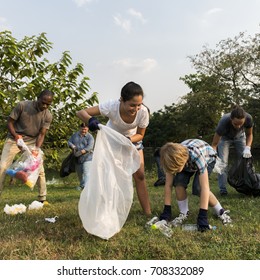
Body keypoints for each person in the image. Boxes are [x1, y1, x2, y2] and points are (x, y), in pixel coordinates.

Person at [76, 81, 151, 216]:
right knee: (111, 176)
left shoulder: (143, 112)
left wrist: (127, 141)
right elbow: (81, 112)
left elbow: (140, 135)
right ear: (122, 100)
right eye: (132, 105)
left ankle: (148, 213)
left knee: (140, 175)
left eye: (139, 105)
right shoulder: (111, 106)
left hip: (132, 141)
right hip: (112, 142)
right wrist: (91, 121)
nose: (136, 109)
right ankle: (107, 210)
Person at [159, 139, 232, 232]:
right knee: (178, 183)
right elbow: (168, 185)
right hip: (185, 161)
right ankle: (184, 213)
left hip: (207, 157)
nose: (175, 172)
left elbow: (205, 187)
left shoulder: (196, 155)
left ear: (182, 161)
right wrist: (167, 210)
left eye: (177, 169)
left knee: (198, 188)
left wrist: (203, 216)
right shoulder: (169, 159)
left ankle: (221, 212)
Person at [0, 89, 54, 203]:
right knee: (2, 167)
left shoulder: (48, 115)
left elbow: (42, 134)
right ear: (38, 98)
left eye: (48, 104)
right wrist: (16, 136)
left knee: (39, 170)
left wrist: (36, 149)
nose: (45, 106)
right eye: (43, 102)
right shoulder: (22, 105)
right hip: (13, 139)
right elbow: (10, 122)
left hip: (32, 142)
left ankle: (42, 198)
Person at [211, 105, 253, 196]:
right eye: (235, 124)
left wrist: (248, 147)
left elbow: (249, 135)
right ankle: (223, 190)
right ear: (231, 119)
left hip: (241, 137)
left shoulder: (248, 118)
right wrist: (214, 155)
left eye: (241, 124)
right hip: (224, 138)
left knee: (245, 162)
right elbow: (214, 144)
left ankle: (248, 187)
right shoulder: (223, 122)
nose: (238, 127)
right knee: (223, 163)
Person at [68, 123, 94, 191]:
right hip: (77, 157)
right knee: (80, 173)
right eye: (82, 129)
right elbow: (69, 142)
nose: (84, 131)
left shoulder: (90, 137)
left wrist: (84, 150)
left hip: (88, 157)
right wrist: (72, 146)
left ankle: (85, 187)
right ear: (80, 128)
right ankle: (82, 184)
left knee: (86, 172)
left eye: (85, 129)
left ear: (88, 129)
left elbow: (90, 146)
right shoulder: (75, 135)